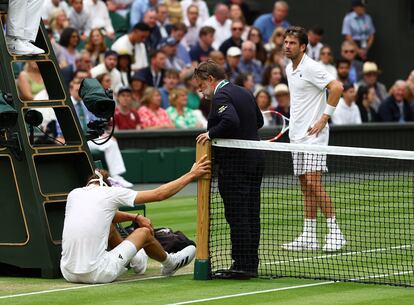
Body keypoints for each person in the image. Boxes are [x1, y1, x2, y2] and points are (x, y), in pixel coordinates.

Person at [61, 156, 211, 284]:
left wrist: (135, 217)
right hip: (97, 273)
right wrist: (192, 175)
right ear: (107, 184)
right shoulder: (110, 192)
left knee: (110, 227)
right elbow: (159, 194)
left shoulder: (74, 194)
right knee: (144, 233)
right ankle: (170, 263)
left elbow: (105, 215)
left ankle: (136, 260)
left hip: (67, 272)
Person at [195, 59, 264, 279]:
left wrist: (210, 134)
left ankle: (242, 265)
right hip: (254, 161)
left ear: (211, 79)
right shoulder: (244, 92)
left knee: (238, 215)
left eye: (200, 84)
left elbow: (230, 121)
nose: (199, 89)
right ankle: (250, 263)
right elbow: (259, 121)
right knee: (251, 213)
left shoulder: (221, 96)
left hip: (236, 165)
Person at [282, 26, 346, 252]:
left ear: (303, 47)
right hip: (296, 136)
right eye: (286, 42)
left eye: (292, 43)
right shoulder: (289, 69)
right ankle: (309, 236)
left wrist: (324, 118)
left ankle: (335, 232)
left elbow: (337, 87)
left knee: (313, 183)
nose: (287, 46)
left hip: (314, 137)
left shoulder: (311, 67)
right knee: (305, 187)